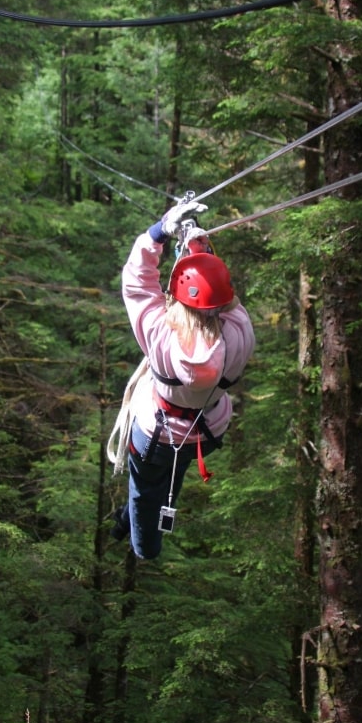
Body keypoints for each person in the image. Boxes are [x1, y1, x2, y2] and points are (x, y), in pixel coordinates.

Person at [110, 199, 255, 559]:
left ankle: (145, 547)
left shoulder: (159, 334)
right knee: (172, 468)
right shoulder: (240, 336)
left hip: (156, 430)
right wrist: (201, 252)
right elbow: (228, 301)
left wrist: (159, 231)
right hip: (204, 432)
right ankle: (134, 517)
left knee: (145, 489)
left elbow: (137, 281)